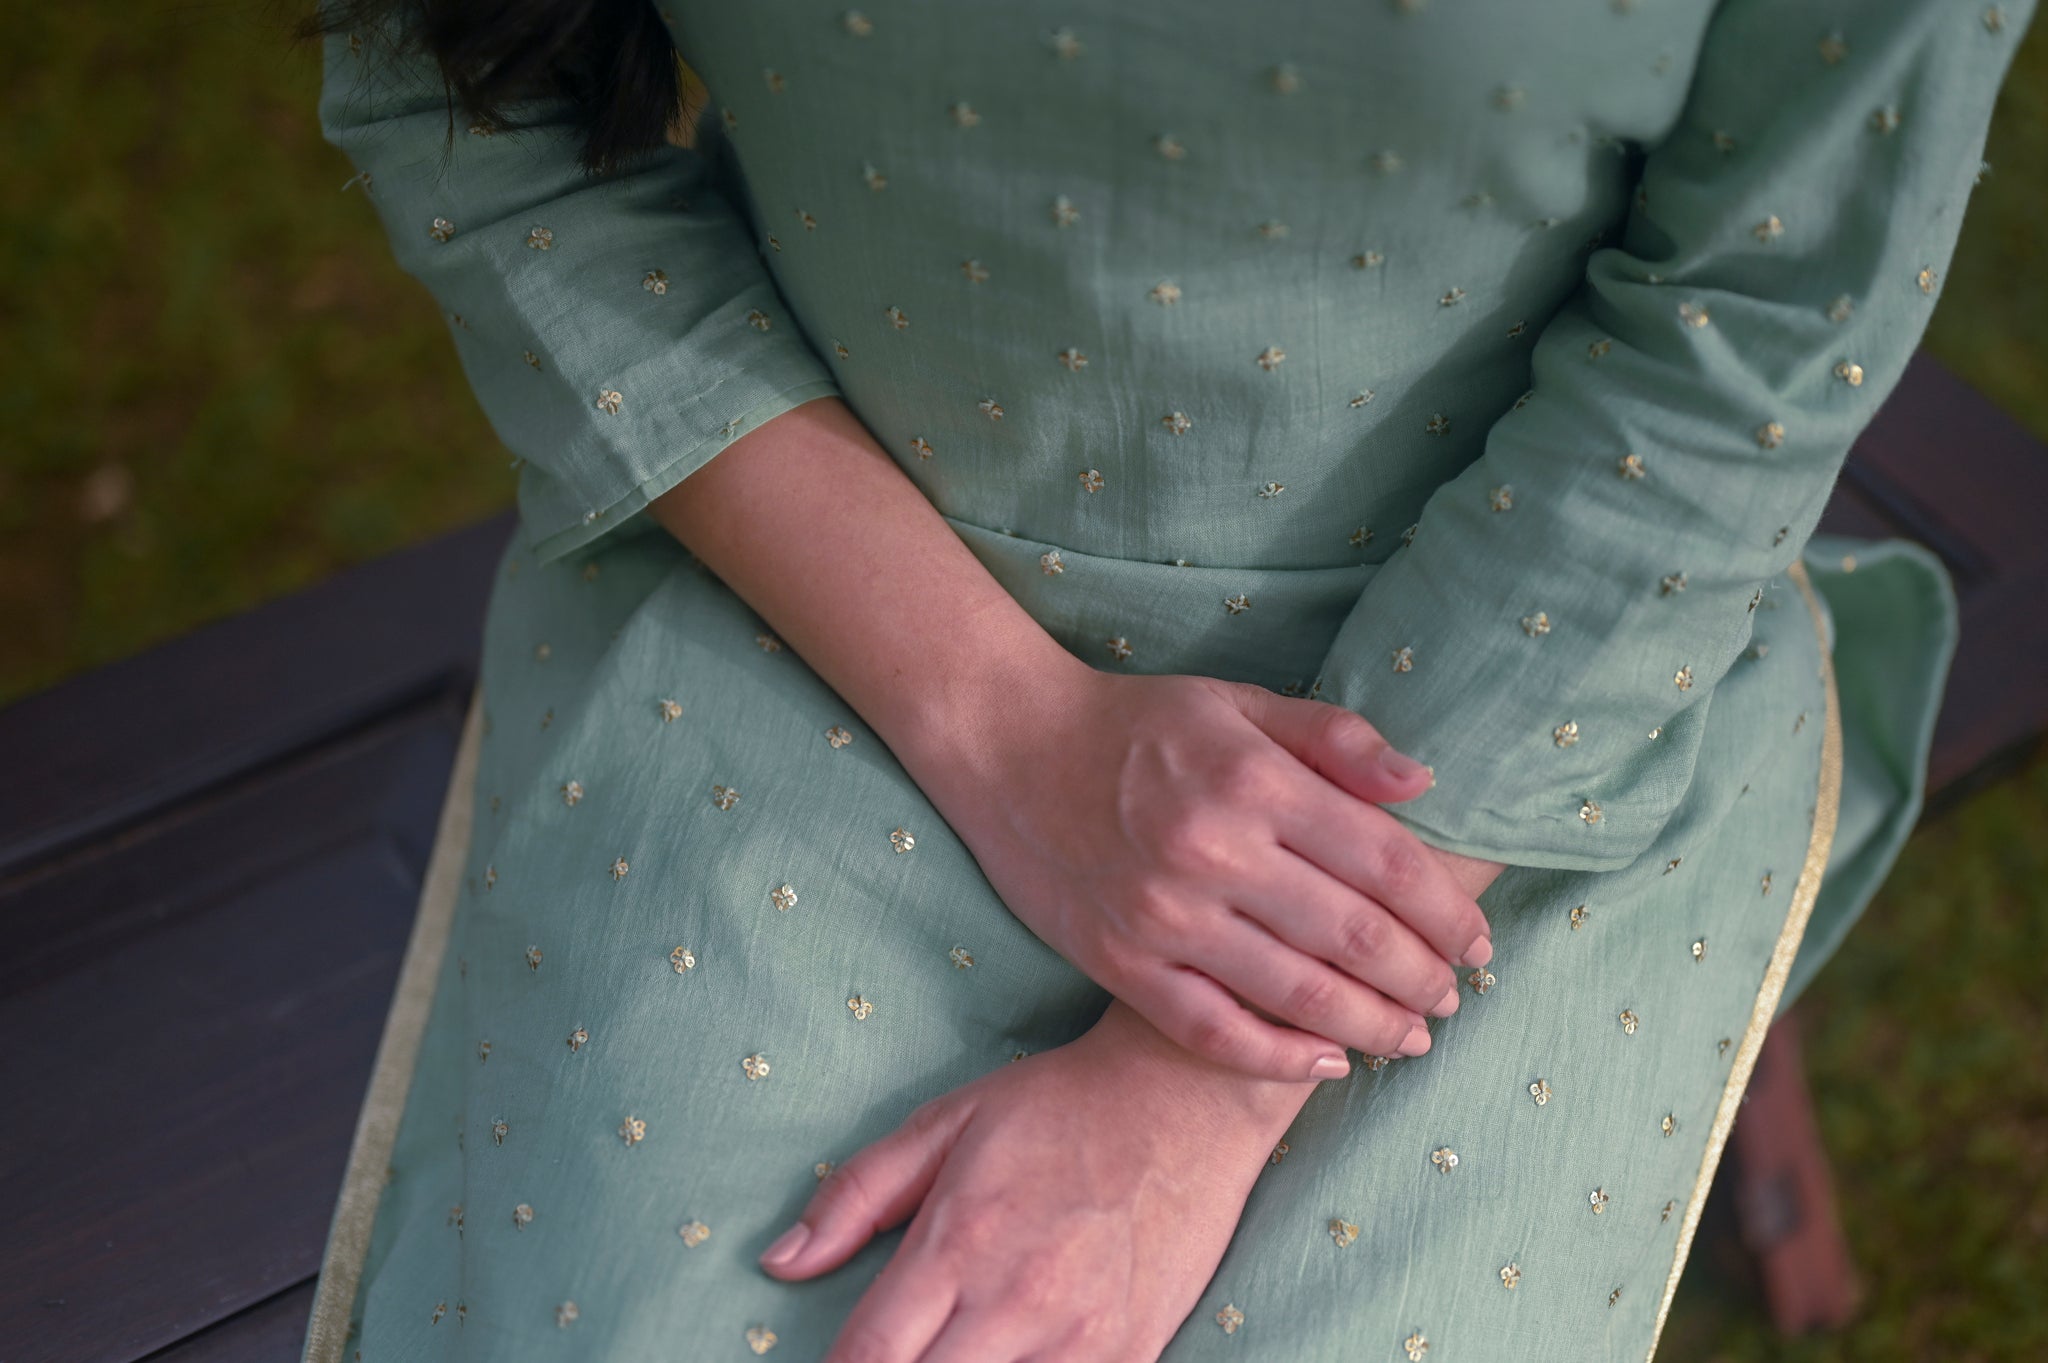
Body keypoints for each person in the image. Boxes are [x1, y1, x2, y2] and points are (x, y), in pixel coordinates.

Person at [300, 2, 2027, 1359]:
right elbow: (457, 110)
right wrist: (1005, 724)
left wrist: (1196, 1083)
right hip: (824, 593)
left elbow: (1767, 323)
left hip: (1502, 702)